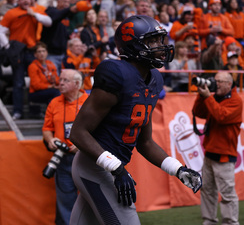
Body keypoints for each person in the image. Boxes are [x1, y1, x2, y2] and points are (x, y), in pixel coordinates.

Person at [69, 15, 202, 224]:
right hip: (94, 166)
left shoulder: (154, 79)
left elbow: (145, 142)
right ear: (132, 45)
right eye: (152, 41)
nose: (160, 46)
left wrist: (178, 169)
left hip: (111, 167)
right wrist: (117, 168)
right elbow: (78, 132)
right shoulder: (116, 73)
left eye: (160, 40)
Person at [192, 71, 243, 225]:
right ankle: (209, 221)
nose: (216, 84)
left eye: (220, 81)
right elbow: (198, 112)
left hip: (225, 154)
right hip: (210, 152)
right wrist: (201, 96)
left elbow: (221, 116)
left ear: (229, 84)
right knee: (207, 191)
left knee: (227, 194)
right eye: (216, 81)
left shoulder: (236, 100)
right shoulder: (214, 97)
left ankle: (230, 222)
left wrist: (208, 97)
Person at [42, 69, 88, 225]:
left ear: (77, 83)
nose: (60, 83)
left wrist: (82, 144)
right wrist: (50, 140)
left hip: (85, 158)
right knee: (65, 200)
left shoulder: (89, 101)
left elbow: (100, 129)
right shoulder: (54, 102)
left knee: (91, 200)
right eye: (60, 80)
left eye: (64, 80)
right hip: (62, 158)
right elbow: (47, 128)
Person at [0, 0, 52, 120]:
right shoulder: (11, 13)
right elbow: (1, 31)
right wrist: (8, 46)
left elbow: (48, 22)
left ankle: (35, 110)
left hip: (32, 51)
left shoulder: (35, 11)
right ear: (19, 0)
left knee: (37, 80)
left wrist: (34, 15)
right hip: (17, 52)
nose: (26, 1)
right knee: (18, 82)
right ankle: (18, 112)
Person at [27, 42, 60, 118]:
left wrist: (56, 82)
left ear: (47, 53)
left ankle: (53, 115)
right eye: (39, 51)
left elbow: (57, 79)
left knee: (59, 92)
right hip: (35, 93)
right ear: (35, 55)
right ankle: (53, 115)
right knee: (55, 93)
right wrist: (50, 86)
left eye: (43, 51)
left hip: (49, 90)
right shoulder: (33, 66)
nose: (42, 54)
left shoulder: (50, 64)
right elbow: (36, 85)